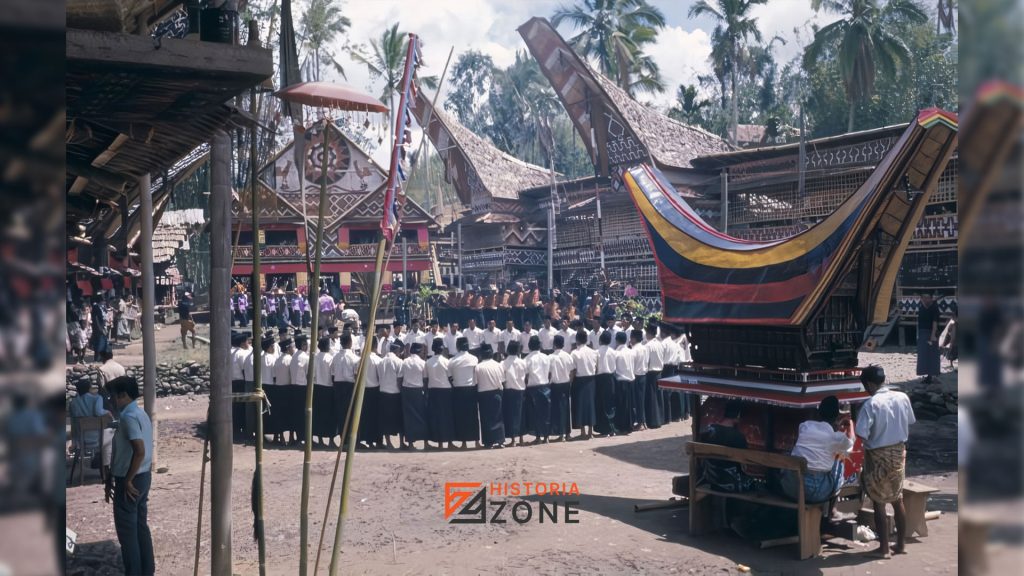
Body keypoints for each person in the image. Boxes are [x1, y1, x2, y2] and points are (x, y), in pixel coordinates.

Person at [856, 365, 916, 559]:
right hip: (898, 452)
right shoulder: (902, 397)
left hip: (878, 454)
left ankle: (883, 548)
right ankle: (900, 544)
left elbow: (861, 433)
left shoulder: (871, 404)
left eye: (866, 386)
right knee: (897, 498)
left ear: (871, 384)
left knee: (879, 501)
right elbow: (910, 421)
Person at [105, 376, 155, 576]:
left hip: (131, 479)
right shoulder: (139, 412)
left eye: (112, 397)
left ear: (123, 395)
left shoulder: (129, 417)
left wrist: (126, 480)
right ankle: (146, 570)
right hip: (142, 477)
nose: (110, 401)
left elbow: (139, 450)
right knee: (139, 528)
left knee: (128, 535)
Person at [779, 396, 855, 517]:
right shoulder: (835, 437)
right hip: (813, 492)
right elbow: (850, 444)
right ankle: (833, 510)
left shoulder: (805, 426)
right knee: (840, 459)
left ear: (819, 413)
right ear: (837, 417)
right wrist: (849, 424)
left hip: (789, 487)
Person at [699, 399, 753, 492]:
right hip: (729, 483)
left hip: (709, 480)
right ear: (738, 417)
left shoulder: (708, 431)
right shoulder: (738, 437)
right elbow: (745, 466)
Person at [449, 337, 480, 449]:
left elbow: (450, 378)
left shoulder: (452, 361)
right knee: (473, 416)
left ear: (457, 347)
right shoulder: (474, 359)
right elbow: (476, 375)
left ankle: (463, 443)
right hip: (471, 390)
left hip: (458, 391)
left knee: (461, 417)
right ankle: (476, 441)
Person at [331, 333, 360, 447]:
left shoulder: (335, 357)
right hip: (349, 386)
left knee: (341, 413)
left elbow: (333, 374)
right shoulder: (354, 358)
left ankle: (344, 438)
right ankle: (350, 439)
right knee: (351, 413)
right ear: (350, 343)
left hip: (338, 386)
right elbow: (356, 375)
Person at [426, 339, 455, 449]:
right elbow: (450, 378)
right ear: (442, 349)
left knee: (436, 417)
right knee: (447, 417)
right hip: (445, 391)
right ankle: (449, 443)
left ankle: (439, 443)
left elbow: (426, 378)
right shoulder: (446, 362)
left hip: (433, 391)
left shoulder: (428, 362)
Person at [475, 344, 506, 448]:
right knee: (498, 416)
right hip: (497, 392)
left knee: (485, 418)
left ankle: (488, 442)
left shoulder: (478, 367)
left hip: (483, 394)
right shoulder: (498, 365)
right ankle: (500, 440)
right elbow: (502, 380)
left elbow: (476, 382)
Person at [524, 335, 553, 445]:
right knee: (546, 413)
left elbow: (525, 376)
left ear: (529, 345)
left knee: (535, 414)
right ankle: (546, 437)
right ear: (539, 345)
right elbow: (550, 373)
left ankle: (538, 437)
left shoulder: (527, 359)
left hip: (532, 389)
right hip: (545, 387)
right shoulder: (546, 357)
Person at [400, 342, 429, 450]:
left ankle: (411, 444)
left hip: (407, 391)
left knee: (409, 419)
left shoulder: (404, 362)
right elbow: (425, 380)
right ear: (419, 351)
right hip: (418, 391)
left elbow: (401, 378)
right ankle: (426, 443)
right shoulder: (422, 363)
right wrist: (424, 392)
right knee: (422, 417)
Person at [570, 330, 598, 440]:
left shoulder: (574, 353)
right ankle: (590, 432)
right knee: (590, 405)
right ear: (586, 340)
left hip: (579, 380)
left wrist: (570, 382)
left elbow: (573, 371)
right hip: (591, 380)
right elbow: (596, 368)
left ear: (577, 340)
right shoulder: (593, 352)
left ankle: (583, 432)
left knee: (580, 405)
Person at [378, 340, 405, 450]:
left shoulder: (381, 361)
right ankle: (402, 443)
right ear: (397, 351)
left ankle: (388, 443)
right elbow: (399, 381)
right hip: (395, 394)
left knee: (386, 420)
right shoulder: (399, 362)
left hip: (383, 393)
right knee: (399, 419)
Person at [358, 337, 383, 449]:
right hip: (375, 390)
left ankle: (368, 440)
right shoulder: (378, 360)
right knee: (375, 417)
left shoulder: (361, 360)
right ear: (375, 346)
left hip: (363, 391)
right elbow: (380, 377)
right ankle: (376, 441)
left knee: (365, 417)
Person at [501, 341, 527, 447]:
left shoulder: (503, 363)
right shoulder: (523, 362)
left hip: (509, 391)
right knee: (521, 414)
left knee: (511, 416)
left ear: (507, 350)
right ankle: (521, 438)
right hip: (521, 390)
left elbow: (502, 379)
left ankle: (513, 440)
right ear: (518, 351)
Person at [312, 337, 337, 447]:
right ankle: (331, 440)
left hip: (317, 388)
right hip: (328, 388)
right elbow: (333, 375)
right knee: (330, 415)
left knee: (318, 415)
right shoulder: (330, 358)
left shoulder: (315, 358)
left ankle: (320, 440)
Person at [549, 335, 574, 442]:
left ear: (554, 344)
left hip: (555, 385)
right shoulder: (568, 356)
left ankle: (561, 433)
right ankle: (567, 433)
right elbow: (573, 371)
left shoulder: (550, 357)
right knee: (566, 408)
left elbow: (549, 373)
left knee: (557, 409)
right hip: (566, 383)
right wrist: (570, 381)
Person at [269, 337, 294, 445]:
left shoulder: (277, 360)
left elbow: (274, 376)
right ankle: (291, 437)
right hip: (288, 388)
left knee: (279, 414)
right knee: (290, 414)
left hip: (278, 388)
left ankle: (280, 437)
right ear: (288, 348)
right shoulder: (290, 360)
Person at [595, 331, 618, 436]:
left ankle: (605, 429)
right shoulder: (614, 352)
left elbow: (595, 367)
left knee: (601, 403)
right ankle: (612, 428)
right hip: (611, 378)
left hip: (600, 379)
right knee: (610, 403)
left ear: (600, 340)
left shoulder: (597, 352)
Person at [288, 335, 310, 444]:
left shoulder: (293, 356)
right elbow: (309, 374)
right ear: (303, 345)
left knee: (296, 413)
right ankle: (303, 437)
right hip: (302, 388)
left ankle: (298, 436)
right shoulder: (305, 357)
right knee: (303, 414)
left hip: (293, 387)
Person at [916, 293, 942, 384]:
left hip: (931, 332)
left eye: (928, 297)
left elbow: (935, 322)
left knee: (933, 355)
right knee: (923, 355)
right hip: (922, 333)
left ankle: (933, 376)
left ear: (931, 299)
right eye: (924, 297)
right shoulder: (921, 307)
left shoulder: (934, 308)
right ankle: (927, 376)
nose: (926, 299)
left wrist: (933, 335)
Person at [612, 332, 635, 435]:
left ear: (617, 340)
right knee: (629, 405)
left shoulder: (616, 353)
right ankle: (629, 426)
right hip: (630, 381)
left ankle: (621, 427)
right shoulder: (631, 352)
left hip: (620, 381)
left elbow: (613, 369)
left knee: (621, 406)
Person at [231, 332, 253, 437]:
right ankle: (243, 428)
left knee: (234, 406)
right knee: (242, 407)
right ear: (242, 343)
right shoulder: (241, 354)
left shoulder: (229, 352)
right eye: (246, 341)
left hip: (231, 382)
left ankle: (235, 428)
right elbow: (245, 369)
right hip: (241, 381)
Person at [643, 324, 665, 428]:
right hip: (659, 372)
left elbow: (646, 361)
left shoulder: (648, 345)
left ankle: (653, 421)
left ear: (648, 333)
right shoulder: (660, 344)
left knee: (652, 398)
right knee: (659, 397)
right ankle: (660, 419)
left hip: (651, 373)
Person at [629, 330, 648, 431]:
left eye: (631, 338)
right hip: (644, 376)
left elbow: (631, 365)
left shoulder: (633, 350)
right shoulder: (645, 348)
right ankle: (643, 421)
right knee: (642, 400)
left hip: (636, 376)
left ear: (634, 338)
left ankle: (641, 422)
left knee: (637, 401)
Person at [939, 304, 957, 370]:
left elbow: (952, 336)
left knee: (952, 351)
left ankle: (952, 364)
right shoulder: (953, 324)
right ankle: (951, 364)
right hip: (955, 341)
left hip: (955, 342)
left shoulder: (954, 325)